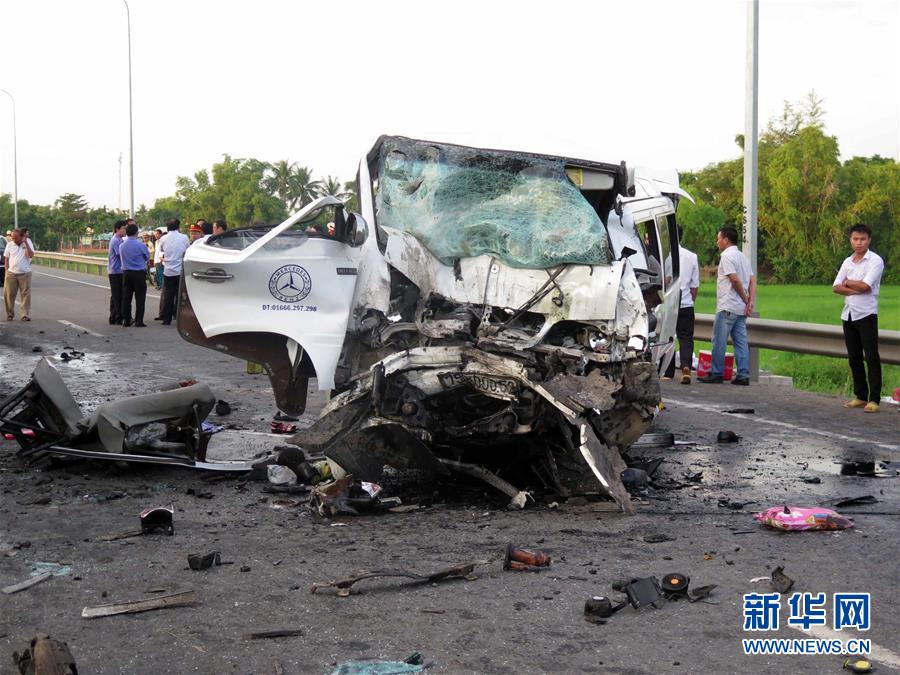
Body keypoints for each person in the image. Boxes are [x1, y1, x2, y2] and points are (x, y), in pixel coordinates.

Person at [833, 223, 884, 413]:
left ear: (869, 240)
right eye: (855, 239)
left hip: (867, 315)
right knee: (854, 358)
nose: (859, 242)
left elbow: (866, 286)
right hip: (848, 315)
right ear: (850, 240)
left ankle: (874, 399)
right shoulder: (848, 261)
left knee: (871, 357)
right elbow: (836, 287)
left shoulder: (875, 261)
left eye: (862, 239)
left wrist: (848, 283)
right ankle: (861, 396)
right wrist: (852, 285)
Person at [699, 226, 756, 385]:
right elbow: (752, 280)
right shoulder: (743, 257)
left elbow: (735, 280)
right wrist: (750, 301)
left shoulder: (726, 257)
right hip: (740, 310)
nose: (717, 242)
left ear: (726, 240)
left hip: (727, 306)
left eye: (718, 239)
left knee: (719, 341)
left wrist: (746, 298)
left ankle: (717, 373)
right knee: (741, 342)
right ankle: (743, 375)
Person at [664, 226, 700, 384]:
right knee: (686, 338)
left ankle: (668, 371)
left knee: (669, 337)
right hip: (686, 303)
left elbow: (665, 282)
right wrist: (690, 301)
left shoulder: (666, 257)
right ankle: (686, 367)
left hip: (670, 304)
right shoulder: (692, 257)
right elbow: (694, 286)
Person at [158, 218, 189, 325]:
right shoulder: (184, 237)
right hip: (180, 271)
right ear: (178, 227)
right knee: (179, 296)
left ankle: (167, 319)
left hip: (168, 271)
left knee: (168, 296)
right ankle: (178, 317)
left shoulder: (163, 239)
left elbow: (162, 249)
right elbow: (187, 250)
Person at [119, 223, 150, 327]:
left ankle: (126, 320)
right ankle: (138, 320)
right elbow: (147, 257)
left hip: (126, 273)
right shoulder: (140, 245)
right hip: (139, 273)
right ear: (137, 233)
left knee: (126, 297)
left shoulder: (122, 245)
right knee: (140, 298)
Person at [4, 228, 35, 321]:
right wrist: (6, 271)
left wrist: (25, 243)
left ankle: (24, 315)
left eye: (16, 238)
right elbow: (6, 258)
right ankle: (10, 314)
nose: (14, 240)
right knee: (9, 295)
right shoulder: (9, 245)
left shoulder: (27, 242)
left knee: (25, 295)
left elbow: (31, 255)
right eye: (12, 238)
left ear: (21, 237)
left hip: (25, 274)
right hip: (11, 273)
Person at [107, 220, 126, 324]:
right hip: (116, 271)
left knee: (117, 295)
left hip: (118, 270)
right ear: (117, 229)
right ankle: (118, 317)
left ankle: (113, 317)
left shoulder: (120, 240)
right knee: (117, 295)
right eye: (124, 228)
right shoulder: (116, 240)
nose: (125, 230)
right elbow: (121, 254)